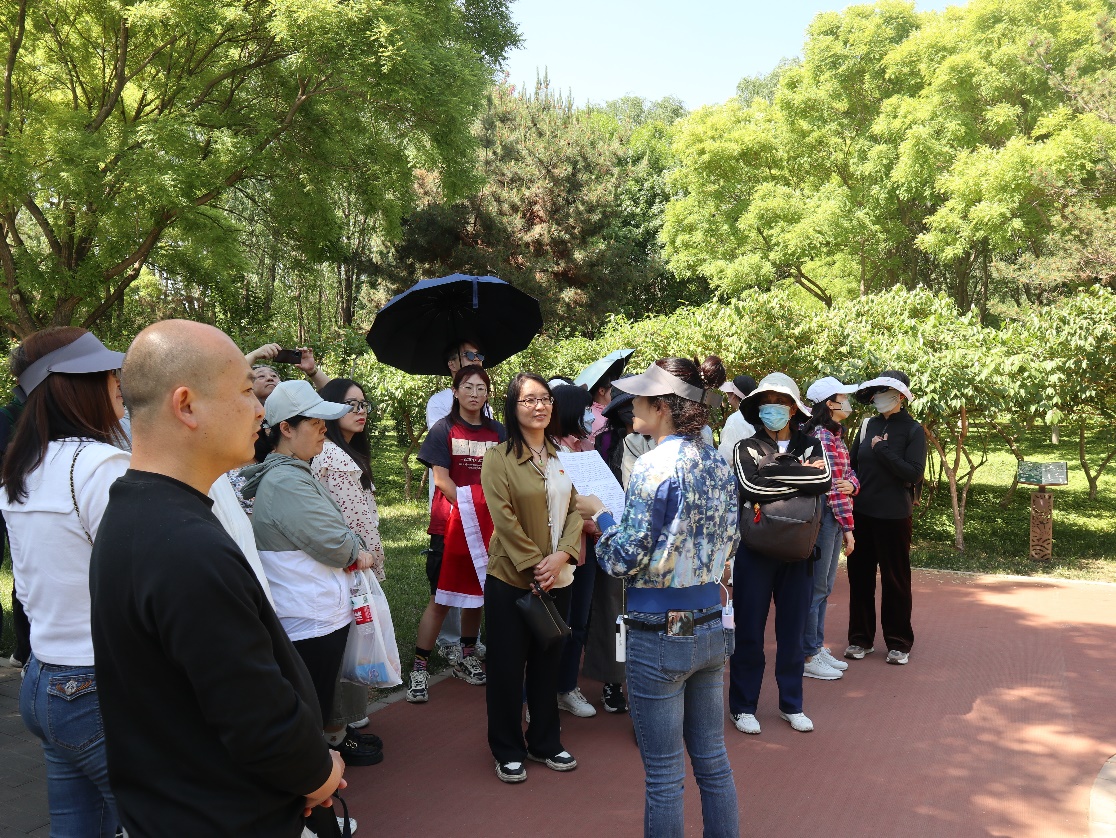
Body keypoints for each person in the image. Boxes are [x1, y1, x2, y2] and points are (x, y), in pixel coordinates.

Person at [89, 320, 345, 836]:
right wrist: (319, 773)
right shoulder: (185, 547)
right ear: (186, 406)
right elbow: (255, 717)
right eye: (247, 392)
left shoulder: (135, 512)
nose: (260, 410)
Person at [578, 356, 739, 838]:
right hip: (709, 620)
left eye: (641, 397)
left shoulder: (652, 465)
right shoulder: (717, 462)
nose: (631, 405)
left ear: (664, 406)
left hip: (660, 630)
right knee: (713, 760)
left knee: (666, 774)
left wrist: (602, 516)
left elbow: (623, 558)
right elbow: (731, 543)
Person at [0, 327, 128, 836]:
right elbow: (139, 588)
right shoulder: (101, 466)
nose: (117, 380)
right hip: (95, 685)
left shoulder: (24, 467)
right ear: (75, 385)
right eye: (107, 372)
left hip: (44, 680)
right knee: (172, 817)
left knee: (77, 828)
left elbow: (29, 588)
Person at [240, 380, 384, 771]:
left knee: (320, 694)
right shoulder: (287, 481)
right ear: (285, 428)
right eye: (316, 422)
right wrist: (357, 548)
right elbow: (337, 544)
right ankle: (315, 774)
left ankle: (329, 749)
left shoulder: (294, 473)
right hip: (310, 615)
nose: (324, 429)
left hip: (316, 610)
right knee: (312, 700)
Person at [480, 373, 582, 784]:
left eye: (545, 399)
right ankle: (507, 748)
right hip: (511, 579)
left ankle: (545, 741)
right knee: (506, 667)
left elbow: (575, 508)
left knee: (547, 664)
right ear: (513, 406)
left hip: (558, 577)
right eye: (529, 400)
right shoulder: (498, 457)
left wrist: (562, 556)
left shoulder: (563, 455)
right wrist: (536, 564)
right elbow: (503, 518)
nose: (539, 406)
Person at [728, 373, 831, 735]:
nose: (773, 410)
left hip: (799, 551)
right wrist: (799, 476)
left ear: (793, 409)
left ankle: (792, 703)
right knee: (749, 632)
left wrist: (774, 473)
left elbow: (823, 481)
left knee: (792, 631)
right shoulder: (746, 447)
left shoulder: (812, 445)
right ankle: (743, 706)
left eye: (781, 403)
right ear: (757, 409)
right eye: (766, 404)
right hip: (756, 550)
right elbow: (750, 486)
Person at [408, 365, 505, 703]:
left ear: (488, 394)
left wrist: (489, 514)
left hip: (490, 526)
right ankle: (419, 667)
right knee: (441, 597)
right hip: (450, 524)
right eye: (468, 386)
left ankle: (467, 655)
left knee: (477, 593)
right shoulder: (443, 429)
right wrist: (470, 508)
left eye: (481, 388)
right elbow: (442, 479)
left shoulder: (498, 432)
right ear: (455, 391)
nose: (474, 394)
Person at [313, 378, 388, 744]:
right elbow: (354, 522)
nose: (360, 412)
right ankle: (339, 733)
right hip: (351, 565)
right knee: (348, 643)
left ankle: (344, 723)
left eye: (363, 404)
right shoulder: (336, 457)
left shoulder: (338, 451)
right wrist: (372, 564)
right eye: (350, 404)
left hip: (345, 563)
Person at [845, 370, 926, 666]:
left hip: (894, 516)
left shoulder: (913, 430)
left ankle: (899, 642)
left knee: (895, 580)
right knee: (860, 578)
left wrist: (883, 450)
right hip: (862, 513)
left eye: (886, 392)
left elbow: (913, 473)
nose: (880, 397)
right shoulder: (868, 425)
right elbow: (852, 466)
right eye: (876, 391)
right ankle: (860, 638)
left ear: (901, 396)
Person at [425, 339, 489, 664]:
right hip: (451, 506)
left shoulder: (490, 415)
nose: (476, 359)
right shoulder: (439, 405)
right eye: (469, 355)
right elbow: (447, 459)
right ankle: (448, 641)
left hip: (484, 509)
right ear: (452, 365)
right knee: (446, 580)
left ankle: (469, 642)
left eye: (479, 355)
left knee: (477, 573)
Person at [801, 377, 861, 680]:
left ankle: (815, 646)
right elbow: (833, 488)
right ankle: (808, 654)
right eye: (843, 398)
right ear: (830, 403)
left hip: (834, 517)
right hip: (827, 516)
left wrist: (854, 484)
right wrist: (848, 527)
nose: (847, 403)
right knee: (817, 588)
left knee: (823, 587)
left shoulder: (834, 435)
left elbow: (848, 476)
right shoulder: (823, 437)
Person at [549, 383, 601, 718]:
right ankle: (538, 693)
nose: (591, 416)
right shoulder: (550, 453)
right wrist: (591, 523)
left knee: (578, 623)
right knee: (553, 626)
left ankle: (566, 687)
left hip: (588, 550)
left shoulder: (585, 450)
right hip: (560, 551)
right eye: (585, 410)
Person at [717, 374, 757, 464]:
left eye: (729, 394)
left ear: (734, 396)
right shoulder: (761, 414)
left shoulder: (735, 420)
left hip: (742, 471)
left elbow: (725, 458)